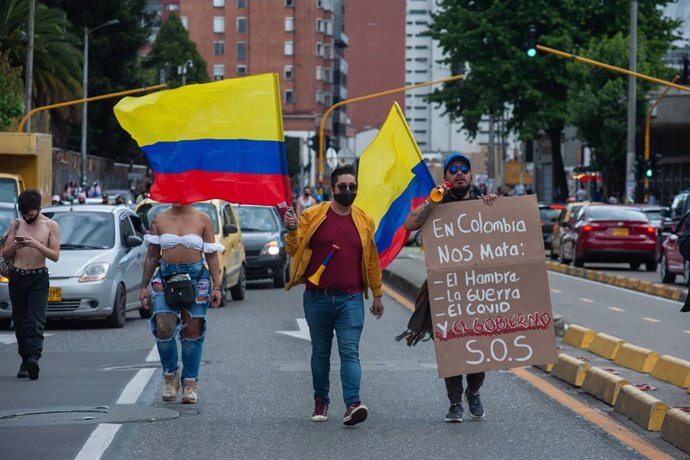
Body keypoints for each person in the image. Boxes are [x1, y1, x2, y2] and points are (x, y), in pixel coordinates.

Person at [283, 164, 384, 427]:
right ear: (332, 189)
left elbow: (372, 260)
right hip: (317, 298)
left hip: (350, 299)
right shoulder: (312, 216)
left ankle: (352, 403)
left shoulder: (364, 221)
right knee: (320, 353)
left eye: (353, 187)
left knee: (350, 352)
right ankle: (321, 400)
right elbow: (293, 250)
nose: (348, 191)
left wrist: (377, 293)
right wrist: (292, 229)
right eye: (343, 187)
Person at [402, 153, 497, 423]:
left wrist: (493, 207)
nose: (458, 173)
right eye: (453, 169)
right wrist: (432, 201)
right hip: (447, 289)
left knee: (479, 346)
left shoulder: (483, 205)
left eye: (463, 169)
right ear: (446, 177)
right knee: (452, 348)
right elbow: (410, 224)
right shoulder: (437, 204)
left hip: (480, 291)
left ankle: (474, 392)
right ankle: (455, 403)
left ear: (470, 176)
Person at [139, 203, 224, 404]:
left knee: (192, 330)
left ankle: (190, 383)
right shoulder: (159, 219)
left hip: (197, 278)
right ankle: (170, 376)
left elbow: (211, 255)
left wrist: (217, 287)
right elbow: (152, 254)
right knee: (164, 327)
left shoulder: (203, 218)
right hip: (166, 276)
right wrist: (144, 285)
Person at [0, 190, 60, 380]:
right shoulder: (17, 224)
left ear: (39, 209)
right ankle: (24, 359)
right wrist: (15, 246)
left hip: (38, 277)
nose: (27, 217)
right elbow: (4, 253)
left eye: (31, 214)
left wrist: (36, 245)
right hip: (17, 276)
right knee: (20, 320)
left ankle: (34, 357)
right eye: (24, 214)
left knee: (36, 319)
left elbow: (55, 255)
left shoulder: (50, 226)